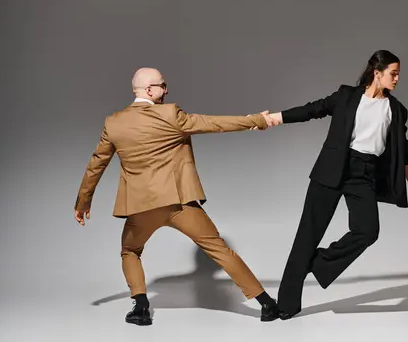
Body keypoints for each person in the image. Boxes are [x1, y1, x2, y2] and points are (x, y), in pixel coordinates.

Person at [73, 67, 280, 325]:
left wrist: (83, 203)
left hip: (141, 209)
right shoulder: (170, 114)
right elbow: (214, 124)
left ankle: (141, 308)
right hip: (180, 204)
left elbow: (97, 164)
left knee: (130, 251)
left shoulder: (113, 123)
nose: (166, 89)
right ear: (149, 90)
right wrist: (257, 120)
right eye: (162, 85)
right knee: (220, 250)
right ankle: (267, 304)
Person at [266, 50, 408, 319]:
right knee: (307, 236)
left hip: (364, 174)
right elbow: (313, 109)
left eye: (399, 74)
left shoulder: (397, 111)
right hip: (333, 168)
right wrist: (276, 118)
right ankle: (286, 306)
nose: (398, 78)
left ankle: (317, 265)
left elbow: (404, 153)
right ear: (377, 73)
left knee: (367, 231)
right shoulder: (346, 96)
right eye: (393, 73)